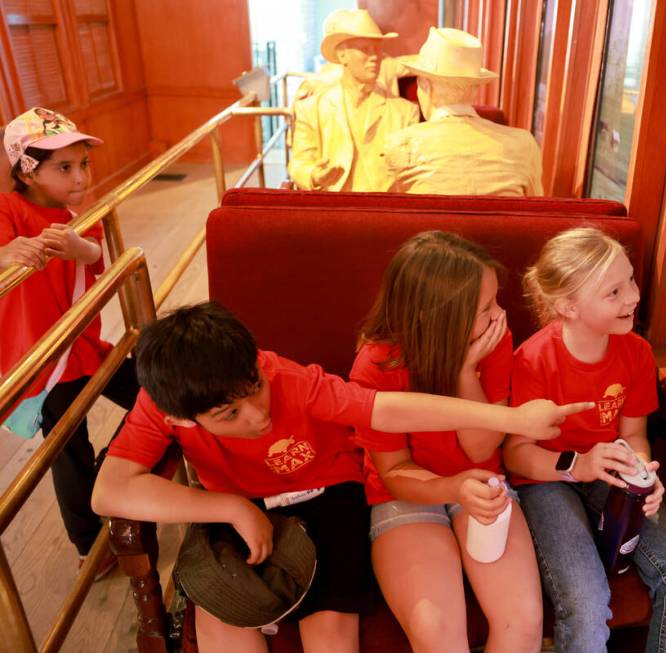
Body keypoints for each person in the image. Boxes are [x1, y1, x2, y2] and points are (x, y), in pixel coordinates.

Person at [92, 302, 589, 653]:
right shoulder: (163, 406)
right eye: (230, 415)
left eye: (256, 389)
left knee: (330, 638)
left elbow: (386, 409)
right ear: (181, 420)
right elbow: (110, 489)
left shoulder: (285, 376)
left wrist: (512, 421)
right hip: (239, 506)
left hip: (329, 496)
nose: (258, 414)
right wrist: (229, 507)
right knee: (225, 628)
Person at [503, 227, 666, 653]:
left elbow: (633, 434)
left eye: (630, 280)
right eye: (613, 292)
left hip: (608, 472)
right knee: (586, 600)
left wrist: (641, 477)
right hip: (547, 480)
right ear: (567, 306)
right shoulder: (533, 360)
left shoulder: (636, 353)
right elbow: (518, 454)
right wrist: (579, 465)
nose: (633, 296)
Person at [350, 232, 542, 652]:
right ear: (438, 317)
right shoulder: (377, 364)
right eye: (486, 307)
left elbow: (479, 450)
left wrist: (464, 372)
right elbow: (395, 472)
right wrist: (452, 488)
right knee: (438, 634)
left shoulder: (491, 341)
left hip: (479, 479)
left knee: (523, 625)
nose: (500, 315)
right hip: (406, 493)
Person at [0, 107, 138, 578]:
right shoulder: (8, 210)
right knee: (66, 449)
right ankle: (89, 545)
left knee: (155, 396)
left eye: (84, 164)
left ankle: (114, 472)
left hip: (83, 346)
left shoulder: (74, 214)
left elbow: (95, 251)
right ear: (26, 170)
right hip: (43, 359)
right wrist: (6, 253)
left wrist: (78, 247)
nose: (80, 177)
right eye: (65, 167)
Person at [384, 27, 543, 196]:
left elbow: (383, 212)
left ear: (425, 86)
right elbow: (538, 213)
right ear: (475, 89)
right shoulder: (525, 145)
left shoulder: (400, 145)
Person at [288, 9, 420, 192]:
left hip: (383, 212)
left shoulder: (405, 113)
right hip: (332, 210)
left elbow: (412, 173)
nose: (375, 57)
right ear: (342, 55)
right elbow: (299, 163)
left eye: (377, 49)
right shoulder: (312, 108)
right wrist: (314, 176)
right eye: (365, 49)